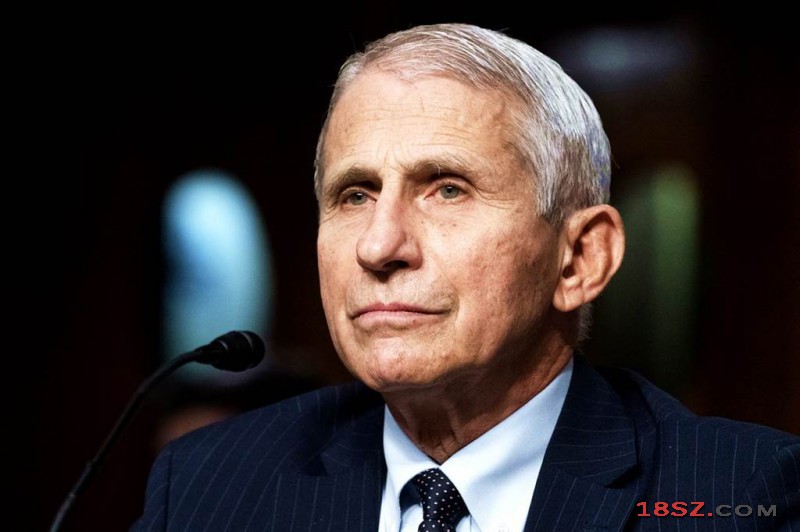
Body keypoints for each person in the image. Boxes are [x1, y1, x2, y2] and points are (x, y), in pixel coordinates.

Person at [132, 23, 799, 531]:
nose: (379, 246)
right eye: (355, 194)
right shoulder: (206, 484)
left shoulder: (741, 496)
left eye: (447, 189)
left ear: (580, 259)